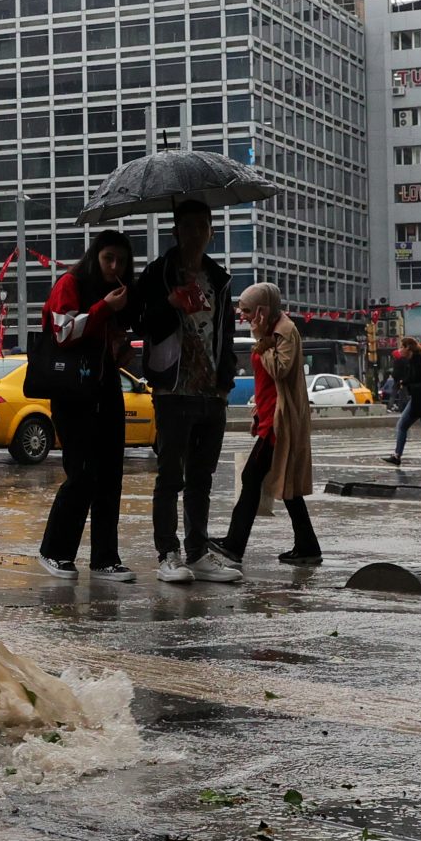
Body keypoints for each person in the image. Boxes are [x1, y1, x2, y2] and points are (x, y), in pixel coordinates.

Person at [134, 199, 239, 585]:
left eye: (203, 226)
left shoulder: (219, 278)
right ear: (175, 230)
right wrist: (169, 303)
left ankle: (197, 551)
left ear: (211, 231)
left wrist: (225, 384)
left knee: (202, 477)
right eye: (189, 226)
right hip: (173, 388)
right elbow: (139, 323)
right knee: (170, 476)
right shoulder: (159, 274)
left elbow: (226, 336)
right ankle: (168, 553)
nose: (196, 234)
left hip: (211, 392)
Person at [37, 230, 135, 581]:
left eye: (121, 261)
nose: (114, 266)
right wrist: (104, 308)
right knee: (82, 473)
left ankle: (105, 558)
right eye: (108, 258)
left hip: (105, 388)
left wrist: (121, 343)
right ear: (95, 256)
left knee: (110, 474)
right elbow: (63, 332)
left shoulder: (118, 297)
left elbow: (108, 349)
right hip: (72, 393)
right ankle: (55, 551)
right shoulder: (71, 283)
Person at [215, 282, 321, 568]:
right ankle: (307, 546)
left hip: (279, 421)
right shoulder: (272, 330)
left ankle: (235, 544)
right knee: (286, 485)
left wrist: (262, 341)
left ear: (263, 309)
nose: (243, 316)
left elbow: (280, 369)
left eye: (248, 311)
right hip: (269, 417)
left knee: (252, 478)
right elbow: (267, 383)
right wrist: (257, 415)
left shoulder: (283, 331)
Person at [385, 335, 421, 469]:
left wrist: (404, 382)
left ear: (408, 347)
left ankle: (397, 456)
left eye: (402, 347)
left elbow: (418, 378)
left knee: (402, 425)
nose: (400, 350)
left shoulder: (417, 359)